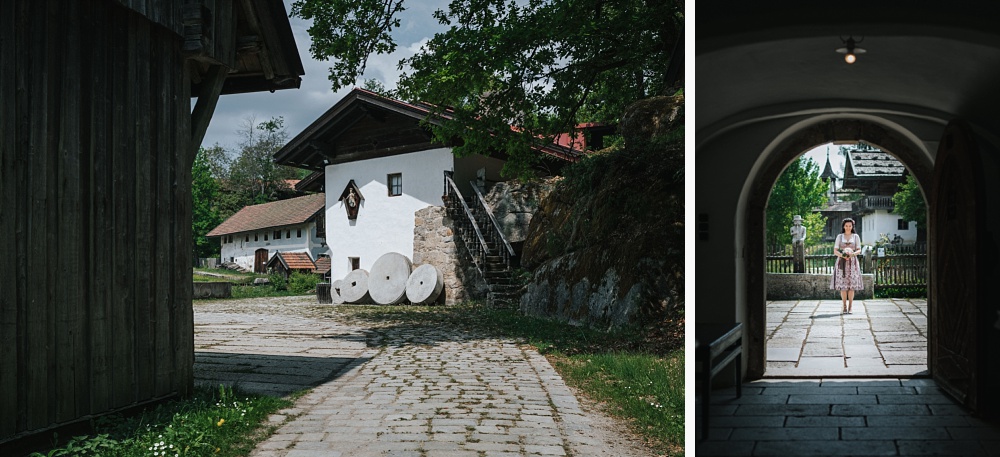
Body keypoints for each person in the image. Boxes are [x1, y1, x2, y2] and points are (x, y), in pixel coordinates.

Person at [830, 217, 863, 314]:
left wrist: (852, 254)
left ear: (852, 226)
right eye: (846, 226)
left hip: (853, 263)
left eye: (850, 226)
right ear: (843, 227)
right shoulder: (839, 237)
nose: (848, 227)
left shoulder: (856, 236)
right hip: (842, 263)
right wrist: (843, 255)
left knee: (851, 286)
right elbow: (835, 251)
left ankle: (850, 307)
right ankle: (844, 306)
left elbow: (859, 249)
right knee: (843, 286)